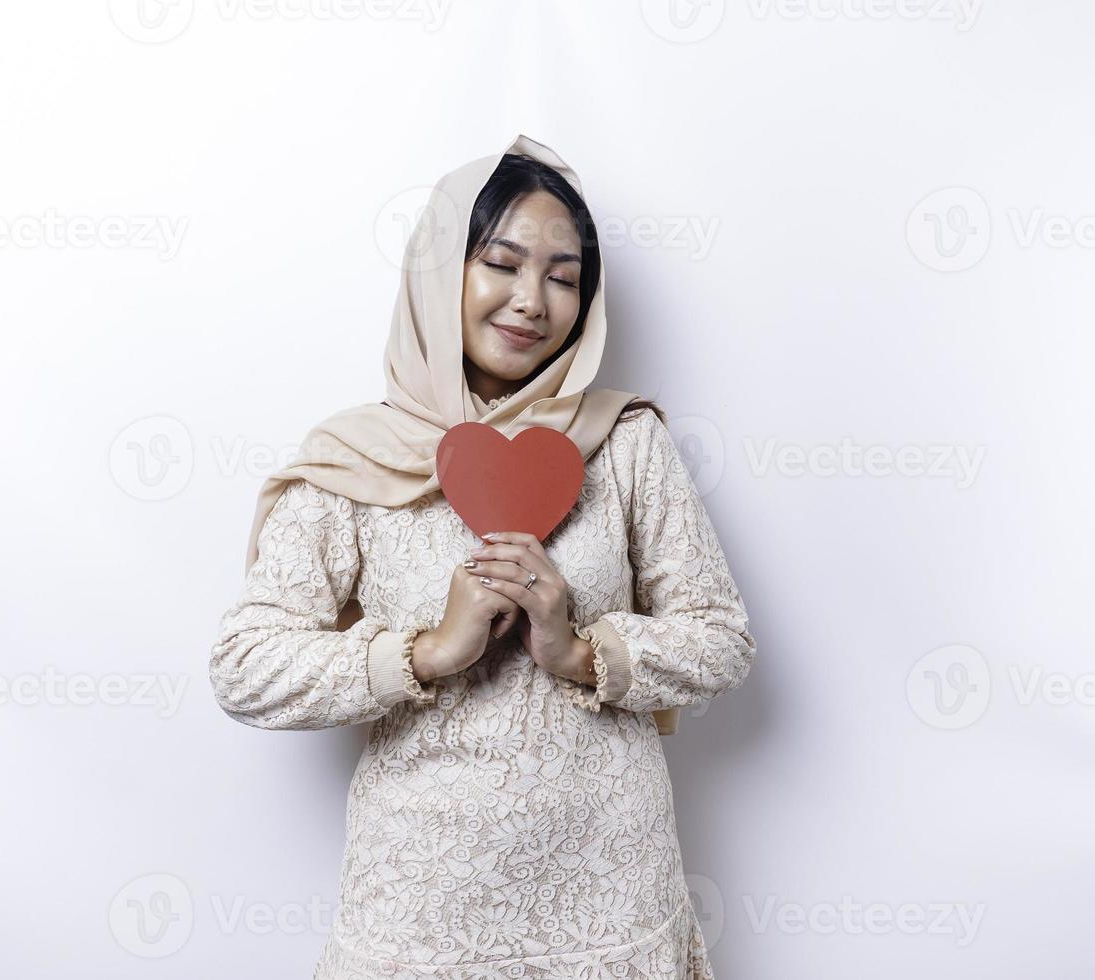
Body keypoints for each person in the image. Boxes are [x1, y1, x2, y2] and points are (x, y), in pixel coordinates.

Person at [208, 133, 757, 979]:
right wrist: (426, 653)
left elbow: (721, 638)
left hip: (609, 904)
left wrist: (580, 650)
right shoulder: (359, 457)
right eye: (501, 263)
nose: (532, 300)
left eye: (564, 277)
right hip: (420, 914)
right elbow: (245, 667)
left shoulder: (625, 441)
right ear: (439, 274)